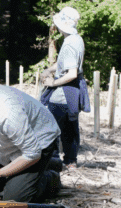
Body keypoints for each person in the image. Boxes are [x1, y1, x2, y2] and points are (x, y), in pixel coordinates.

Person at [40, 6, 90, 169]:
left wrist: (52, 83)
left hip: (63, 93)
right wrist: (49, 69)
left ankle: (53, 163)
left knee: (51, 129)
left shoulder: (69, 44)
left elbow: (71, 73)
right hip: (73, 92)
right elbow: (64, 64)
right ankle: (70, 161)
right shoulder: (76, 39)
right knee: (70, 128)